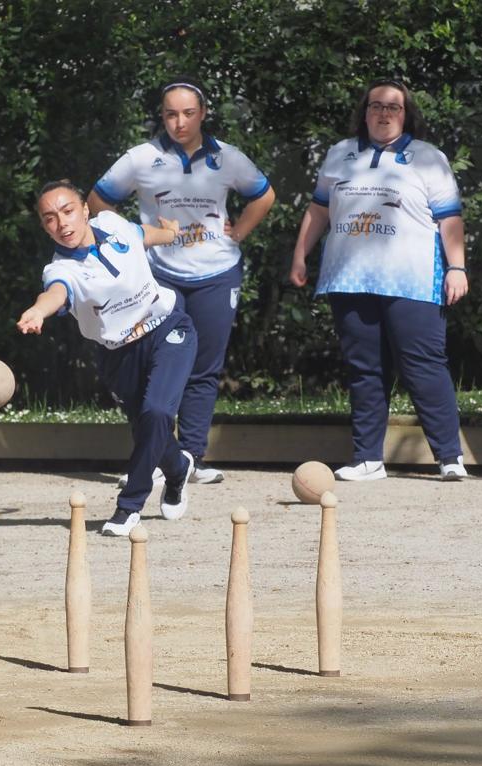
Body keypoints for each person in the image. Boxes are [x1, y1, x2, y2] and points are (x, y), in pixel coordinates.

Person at [88, 76, 275, 486]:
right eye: (171, 114)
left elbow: (263, 194)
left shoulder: (228, 158)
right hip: (157, 277)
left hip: (216, 274)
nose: (179, 122)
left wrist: (239, 232)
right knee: (146, 370)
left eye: (188, 113)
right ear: (162, 115)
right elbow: (98, 200)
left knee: (203, 370)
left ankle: (191, 456)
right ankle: (152, 460)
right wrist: (127, 240)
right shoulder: (140, 158)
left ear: (203, 114)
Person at [288, 79, 469, 481]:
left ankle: (449, 457)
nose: (384, 113)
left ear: (407, 115)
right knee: (364, 370)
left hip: (414, 280)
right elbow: (319, 211)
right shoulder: (339, 154)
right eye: (376, 106)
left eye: (394, 107)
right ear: (364, 111)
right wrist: (301, 255)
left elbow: (450, 218)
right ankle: (368, 458)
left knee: (423, 366)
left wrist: (457, 268)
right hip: (350, 279)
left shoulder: (427, 158)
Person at [18, 181, 197, 536]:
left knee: (158, 412)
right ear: (44, 226)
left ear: (85, 210)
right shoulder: (61, 270)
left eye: (68, 211)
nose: (62, 223)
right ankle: (177, 470)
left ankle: (129, 506)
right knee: (147, 427)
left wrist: (169, 232)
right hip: (119, 354)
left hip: (168, 328)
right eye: (50, 218)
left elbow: (141, 235)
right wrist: (39, 311)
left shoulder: (113, 225)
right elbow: (55, 293)